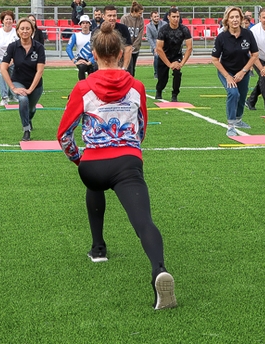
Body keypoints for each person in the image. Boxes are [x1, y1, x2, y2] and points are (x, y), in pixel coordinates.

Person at [56, 20, 176, 310]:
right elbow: (142, 128)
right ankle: (159, 270)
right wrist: (130, 149)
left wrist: (78, 159)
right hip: (127, 162)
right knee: (143, 221)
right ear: (122, 53)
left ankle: (98, 248)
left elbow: (64, 135)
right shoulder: (136, 85)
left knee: (93, 183)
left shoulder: (83, 86)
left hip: (93, 166)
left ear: (94, 55)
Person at [211, 6, 259, 136]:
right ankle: (231, 125)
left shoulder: (248, 34)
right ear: (227, 20)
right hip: (226, 71)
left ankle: (238, 120)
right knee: (233, 93)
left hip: (243, 71)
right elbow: (215, 59)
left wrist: (244, 71)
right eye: (232, 17)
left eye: (237, 17)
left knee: (242, 96)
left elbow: (255, 54)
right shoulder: (222, 37)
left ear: (241, 19)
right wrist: (227, 76)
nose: (235, 20)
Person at [0, 18, 46, 142]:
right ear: (18, 31)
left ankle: (29, 118)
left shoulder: (39, 47)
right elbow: (3, 68)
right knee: (23, 100)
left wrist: (31, 89)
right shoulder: (12, 47)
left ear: (32, 30)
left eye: (28, 28)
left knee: (31, 108)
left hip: (35, 84)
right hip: (18, 81)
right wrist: (13, 87)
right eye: (22, 28)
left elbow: (40, 71)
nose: (25, 31)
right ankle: (26, 129)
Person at [155, 7, 193, 102]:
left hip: (177, 56)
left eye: (178, 16)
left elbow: (189, 48)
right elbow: (159, 49)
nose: (176, 19)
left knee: (177, 73)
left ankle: (175, 94)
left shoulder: (184, 29)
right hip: (164, 56)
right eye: (174, 17)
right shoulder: (163, 30)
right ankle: (159, 90)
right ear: (168, 17)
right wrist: (169, 64)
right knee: (162, 79)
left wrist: (181, 63)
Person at [0, 11, 19, 105]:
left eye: (10, 19)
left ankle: (12, 96)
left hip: (13, 59)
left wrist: (13, 61)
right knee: (1, 75)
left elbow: (19, 48)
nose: (8, 21)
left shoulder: (16, 32)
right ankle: (4, 97)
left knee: (13, 77)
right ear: (2, 21)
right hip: (0, 59)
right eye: (6, 19)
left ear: (13, 21)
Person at [92, 6, 133, 71]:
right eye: (109, 16)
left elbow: (128, 48)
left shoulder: (123, 29)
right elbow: (95, 51)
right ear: (103, 16)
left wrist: (124, 68)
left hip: (122, 64)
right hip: (103, 67)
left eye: (114, 15)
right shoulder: (96, 31)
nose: (112, 18)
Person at [66, 15, 94, 81]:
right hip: (81, 59)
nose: (85, 25)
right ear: (80, 25)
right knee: (82, 67)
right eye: (83, 23)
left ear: (89, 24)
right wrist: (74, 60)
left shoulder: (94, 35)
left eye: (87, 23)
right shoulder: (75, 35)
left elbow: (99, 50)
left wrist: (91, 61)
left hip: (93, 58)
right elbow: (68, 48)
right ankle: (82, 85)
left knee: (94, 70)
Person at [120, 2, 145, 76]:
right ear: (134, 12)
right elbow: (121, 33)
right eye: (139, 13)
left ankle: (131, 82)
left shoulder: (141, 20)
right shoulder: (124, 18)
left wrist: (133, 47)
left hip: (135, 48)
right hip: (125, 48)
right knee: (126, 66)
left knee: (132, 67)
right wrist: (126, 47)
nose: (140, 15)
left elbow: (140, 35)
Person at [145, 11, 163, 80]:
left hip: (164, 45)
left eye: (157, 16)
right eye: (155, 17)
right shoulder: (148, 26)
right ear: (151, 17)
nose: (156, 18)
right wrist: (155, 48)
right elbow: (149, 38)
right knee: (157, 57)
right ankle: (156, 73)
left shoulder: (164, 24)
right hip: (155, 45)